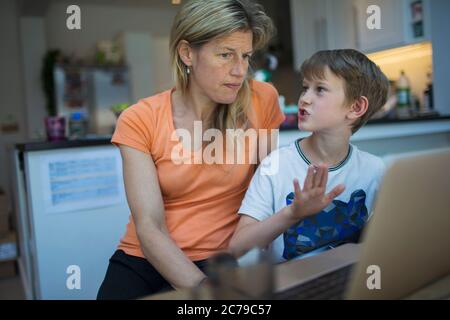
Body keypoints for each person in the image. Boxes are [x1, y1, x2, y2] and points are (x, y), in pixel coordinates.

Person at [97, 0, 285, 300]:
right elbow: (149, 227)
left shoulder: (263, 99)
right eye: (225, 55)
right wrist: (206, 293)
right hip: (146, 259)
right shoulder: (140, 119)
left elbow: (267, 188)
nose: (240, 70)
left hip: (221, 260)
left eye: (246, 56)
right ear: (187, 53)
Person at [228, 49, 389, 263]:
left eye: (320, 89)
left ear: (356, 107)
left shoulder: (375, 171)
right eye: (305, 88)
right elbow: (237, 247)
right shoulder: (275, 166)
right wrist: (292, 213)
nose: (304, 99)